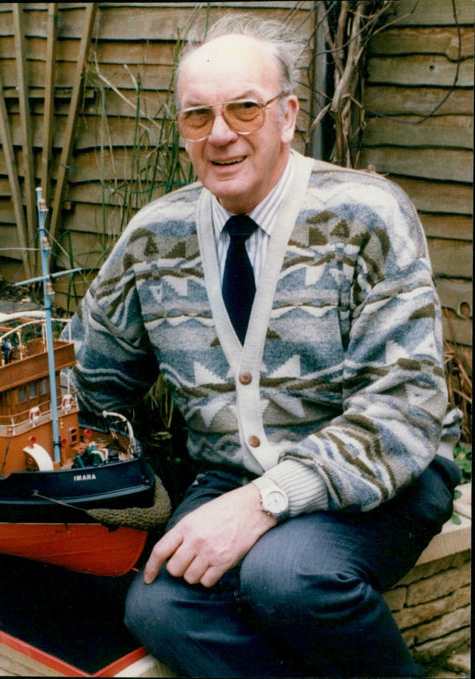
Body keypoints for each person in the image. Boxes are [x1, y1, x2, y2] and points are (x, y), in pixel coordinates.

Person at [65, 14, 462, 678]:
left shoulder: (368, 214)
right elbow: (93, 375)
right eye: (198, 117)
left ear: (287, 115)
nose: (220, 135)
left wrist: (264, 501)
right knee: (161, 605)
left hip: (387, 470)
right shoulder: (152, 237)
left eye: (244, 108)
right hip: (231, 473)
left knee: (287, 575)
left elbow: (404, 408)